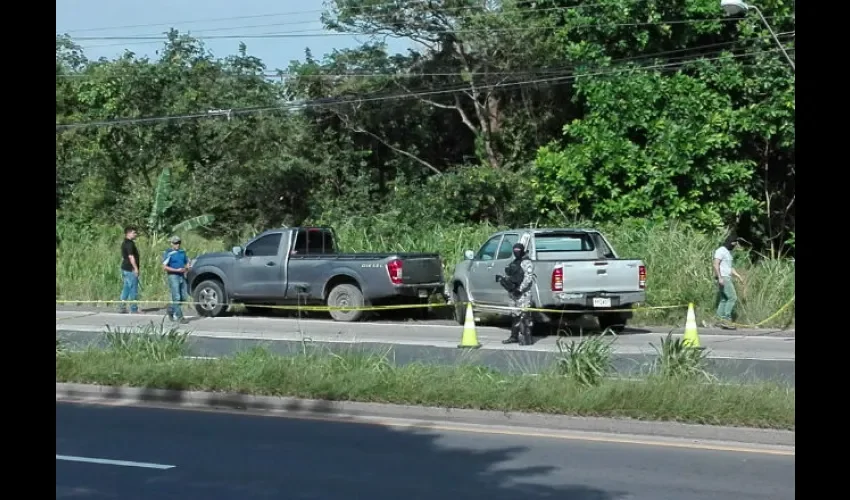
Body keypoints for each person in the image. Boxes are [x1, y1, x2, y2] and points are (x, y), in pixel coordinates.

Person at [497, 242, 536, 345]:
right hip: (513, 293)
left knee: (525, 315)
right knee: (515, 315)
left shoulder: (526, 262)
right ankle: (514, 337)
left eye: (518, 251)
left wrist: (520, 289)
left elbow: (528, 278)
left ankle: (526, 339)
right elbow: (511, 275)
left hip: (523, 294)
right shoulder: (514, 262)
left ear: (522, 250)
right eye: (515, 251)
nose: (516, 252)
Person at [713, 233, 744, 330]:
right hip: (724, 278)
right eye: (735, 243)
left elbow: (729, 268)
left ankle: (718, 319)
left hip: (727, 277)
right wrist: (720, 277)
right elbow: (715, 264)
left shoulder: (728, 252)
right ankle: (726, 319)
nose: (735, 245)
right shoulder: (720, 250)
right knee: (732, 297)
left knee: (724, 299)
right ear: (731, 242)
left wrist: (738, 276)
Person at [162, 235, 191, 323]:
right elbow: (164, 267)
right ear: (171, 244)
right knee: (176, 297)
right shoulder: (168, 253)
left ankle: (171, 309)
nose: (177, 245)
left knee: (184, 296)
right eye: (175, 243)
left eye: (178, 243)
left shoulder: (182, 252)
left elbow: (187, 262)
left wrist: (187, 266)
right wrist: (176, 270)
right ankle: (179, 317)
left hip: (182, 275)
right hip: (173, 276)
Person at [118, 226, 140, 314]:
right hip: (130, 269)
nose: (135, 234)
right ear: (128, 233)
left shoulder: (124, 243)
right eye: (134, 232)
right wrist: (136, 268)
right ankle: (134, 308)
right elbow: (131, 256)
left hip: (125, 268)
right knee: (133, 289)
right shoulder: (129, 244)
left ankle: (122, 307)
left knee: (126, 288)